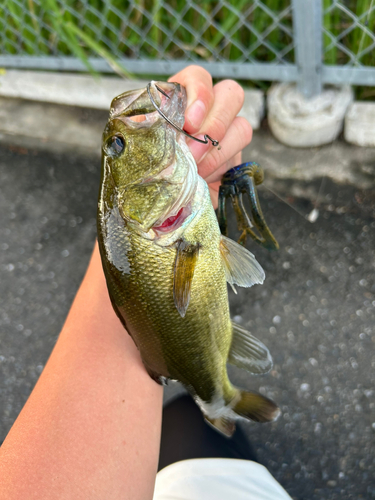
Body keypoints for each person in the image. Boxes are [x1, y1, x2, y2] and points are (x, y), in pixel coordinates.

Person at [0, 65, 291, 499]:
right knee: (196, 419)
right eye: (117, 146)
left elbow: (134, 259)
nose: (122, 137)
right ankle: (217, 401)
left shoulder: (156, 217)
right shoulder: (157, 217)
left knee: (185, 419)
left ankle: (213, 404)